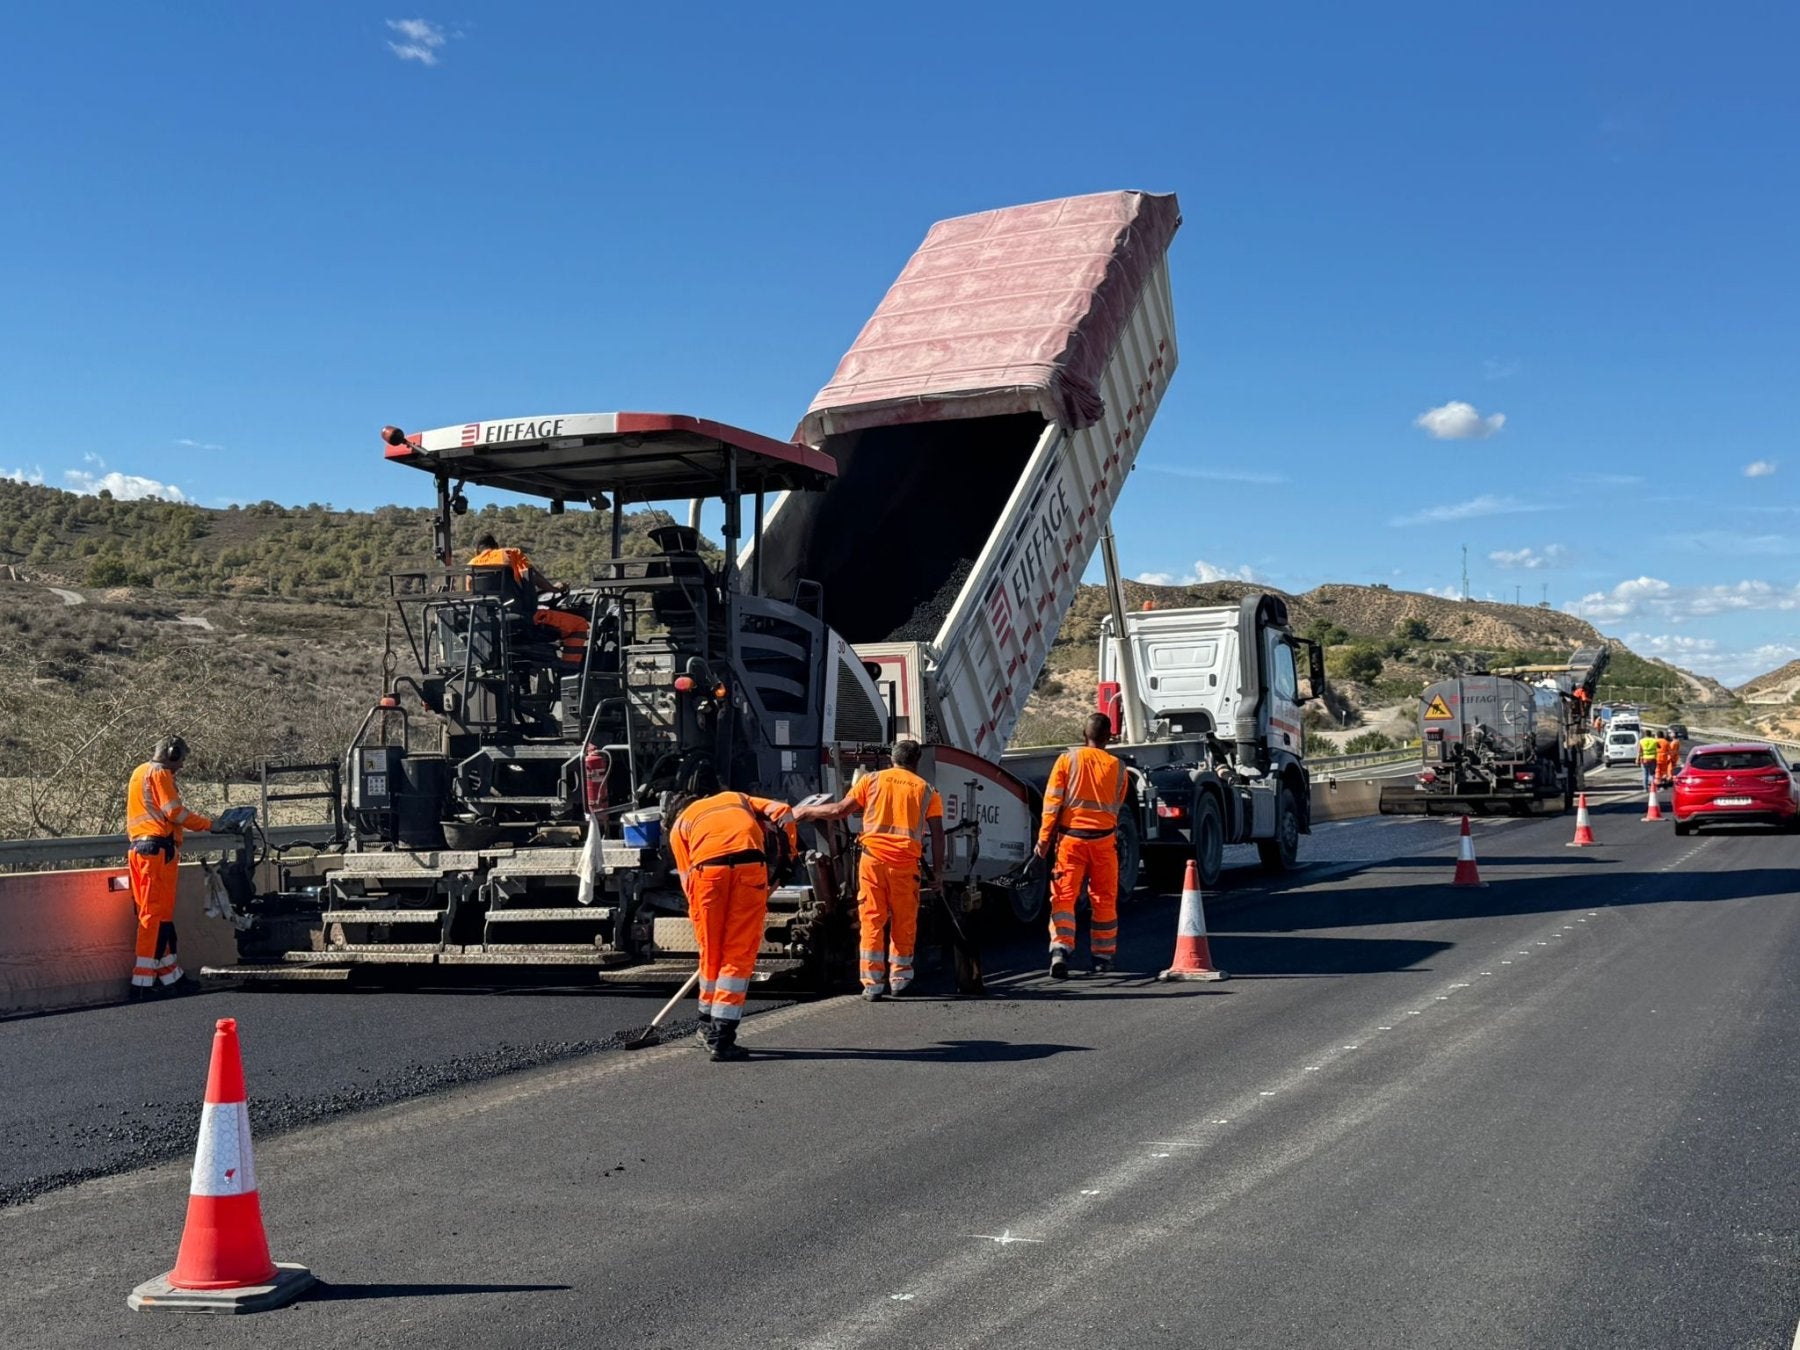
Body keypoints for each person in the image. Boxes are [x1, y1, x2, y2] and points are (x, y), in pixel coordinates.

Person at [796, 741, 945, 1001]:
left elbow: (840, 810)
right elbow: (938, 834)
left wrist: (807, 810)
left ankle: (872, 984)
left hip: (872, 861)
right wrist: (939, 873)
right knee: (904, 921)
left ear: (892, 759)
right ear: (916, 761)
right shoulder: (928, 791)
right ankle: (900, 979)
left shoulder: (872, 780)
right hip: (905, 865)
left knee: (872, 919)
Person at [667, 773, 798, 1062]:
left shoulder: (679, 827)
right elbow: (784, 812)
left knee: (711, 952)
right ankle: (721, 1037)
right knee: (737, 954)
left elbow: (688, 883)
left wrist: (701, 920)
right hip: (750, 867)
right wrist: (790, 857)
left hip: (707, 876)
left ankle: (707, 1027)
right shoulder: (737, 798)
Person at [1036, 713, 1129, 979]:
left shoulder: (1067, 760)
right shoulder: (1118, 767)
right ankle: (1102, 956)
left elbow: (1051, 804)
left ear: (1083, 733)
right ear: (1109, 737)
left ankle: (1061, 950)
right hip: (1103, 842)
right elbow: (1118, 803)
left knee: (1064, 897)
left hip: (1071, 841)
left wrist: (1043, 841)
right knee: (1103, 898)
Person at [124, 737, 213, 999]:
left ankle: (171, 977)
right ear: (172, 754)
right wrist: (210, 824)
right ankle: (142, 985)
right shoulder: (161, 773)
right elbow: (176, 813)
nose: (182, 765)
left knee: (156, 918)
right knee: (154, 918)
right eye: (182, 759)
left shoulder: (140, 771)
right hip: (157, 851)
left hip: (140, 851)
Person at [469, 532, 588, 663]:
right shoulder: (510, 554)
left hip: (491, 623)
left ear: (476, 550)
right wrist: (554, 589)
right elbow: (531, 577)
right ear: (496, 546)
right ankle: (570, 669)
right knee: (579, 624)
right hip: (523, 617)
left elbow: (472, 596)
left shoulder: (471, 566)